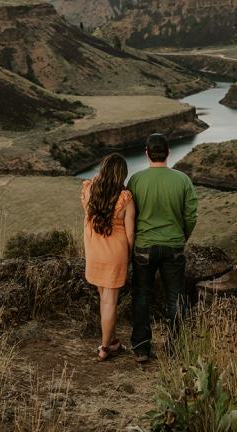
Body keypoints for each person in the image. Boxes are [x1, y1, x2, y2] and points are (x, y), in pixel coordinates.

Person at [128, 133, 198, 362]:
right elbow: (191, 215)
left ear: (147, 153)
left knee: (141, 296)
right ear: (168, 152)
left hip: (144, 248)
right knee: (176, 298)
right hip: (174, 246)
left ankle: (141, 348)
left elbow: (130, 215)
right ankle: (176, 348)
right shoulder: (182, 180)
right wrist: (182, 237)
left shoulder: (136, 180)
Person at [81, 152, 136, 361]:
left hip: (94, 251)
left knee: (103, 298)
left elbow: (87, 212)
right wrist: (129, 255)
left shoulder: (89, 190)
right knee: (110, 302)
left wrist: (97, 180)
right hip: (116, 253)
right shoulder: (125, 198)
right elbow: (130, 233)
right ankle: (105, 348)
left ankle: (111, 341)